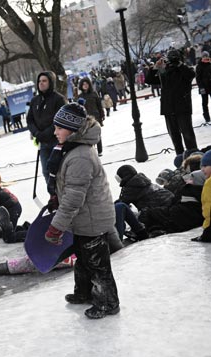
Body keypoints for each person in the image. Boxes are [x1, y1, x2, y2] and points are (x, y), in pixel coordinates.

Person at [45, 103, 119, 319]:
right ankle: (84, 292)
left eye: (59, 128)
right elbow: (68, 188)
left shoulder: (80, 156)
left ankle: (108, 302)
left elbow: (74, 198)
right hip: (84, 218)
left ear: (72, 129)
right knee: (84, 259)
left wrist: (56, 227)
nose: (55, 132)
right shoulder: (71, 149)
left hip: (92, 219)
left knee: (97, 265)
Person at [113, 165, 175, 241]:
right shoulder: (141, 180)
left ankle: (124, 236)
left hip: (159, 212)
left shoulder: (131, 187)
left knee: (124, 209)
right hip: (170, 206)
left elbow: (121, 203)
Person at [27, 72, 67, 184]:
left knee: (60, 170)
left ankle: (63, 195)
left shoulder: (58, 99)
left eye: (44, 81)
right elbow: (30, 120)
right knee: (46, 171)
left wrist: (47, 133)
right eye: (39, 81)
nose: (41, 83)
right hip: (43, 143)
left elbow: (60, 119)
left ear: (50, 82)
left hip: (57, 140)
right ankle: (53, 196)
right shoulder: (35, 100)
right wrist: (36, 133)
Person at [155, 49, 198, 154]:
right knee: (174, 136)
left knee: (188, 134)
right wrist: (157, 68)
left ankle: (194, 156)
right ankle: (180, 157)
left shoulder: (185, 69)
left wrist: (179, 64)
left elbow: (191, 75)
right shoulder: (165, 70)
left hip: (182, 106)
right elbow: (151, 80)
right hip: (168, 108)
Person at [78, 78, 105, 156]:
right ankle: (92, 151)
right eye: (83, 84)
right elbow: (79, 108)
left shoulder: (94, 93)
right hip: (86, 119)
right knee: (89, 135)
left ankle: (100, 151)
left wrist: (102, 114)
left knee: (97, 134)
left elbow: (99, 105)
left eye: (86, 84)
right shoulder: (80, 96)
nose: (85, 86)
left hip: (96, 116)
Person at [191, 150, 211, 242]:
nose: (202, 169)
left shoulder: (209, 183)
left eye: (205, 166)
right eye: (201, 166)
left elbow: (208, 206)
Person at [195, 51, 211, 123]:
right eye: (204, 56)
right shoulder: (199, 66)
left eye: (206, 56)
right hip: (204, 87)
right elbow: (198, 78)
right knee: (205, 103)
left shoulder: (210, 63)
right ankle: (207, 117)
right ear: (202, 57)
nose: (205, 58)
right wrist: (201, 87)